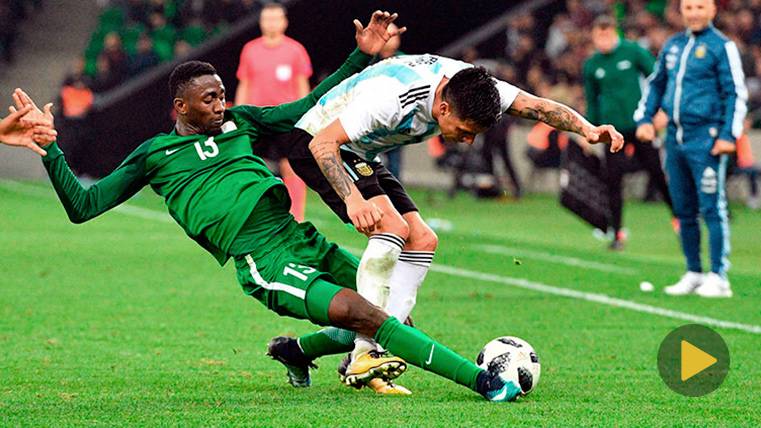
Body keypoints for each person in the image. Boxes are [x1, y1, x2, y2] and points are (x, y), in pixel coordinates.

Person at [1, 12, 524, 403]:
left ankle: (299, 351)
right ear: (180, 107)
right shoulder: (152, 156)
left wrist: (360, 58)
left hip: (296, 235)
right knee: (368, 313)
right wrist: (49, 149)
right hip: (262, 261)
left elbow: (303, 109)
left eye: (223, 94)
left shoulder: (242, 122)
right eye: (209, 99)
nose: (221, 104)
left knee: (386, 309)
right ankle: (485, 384)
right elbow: (82, 205)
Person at [278, 53, 624, 394]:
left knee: (423, 240)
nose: (468, 139)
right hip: (317, 144)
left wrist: (587, 129)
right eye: (465, 130)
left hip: (361, 152)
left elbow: (537, 107)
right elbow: (323, 143)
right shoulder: (391, 99)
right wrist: (353, 198)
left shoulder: (475, 88)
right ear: (443, 109)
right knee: (392, 228)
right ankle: (366, 354)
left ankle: (303, 351)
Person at [635, 0, 747, 297]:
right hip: (675, 139)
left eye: (700, 6)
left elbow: (736, 93)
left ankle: (719, 276)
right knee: (683, 210)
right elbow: (656, 84)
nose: (694, 12)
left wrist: (728, 135)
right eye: (689, 7)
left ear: (712, 10)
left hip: (707, 139)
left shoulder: (722, 46)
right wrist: (646, 118)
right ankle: (694, 271)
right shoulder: (674, 45)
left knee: (712, 207)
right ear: (680, 11)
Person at [582, 15, 674, 251]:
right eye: (599, 35)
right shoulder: (592, 65)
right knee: (612, 181)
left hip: (639, 125)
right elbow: (592, 102)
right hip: (611, 131)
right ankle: (617, 233)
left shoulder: (632, 52)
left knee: (657, 173)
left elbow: (657, 77)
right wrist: (587, 131)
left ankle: (680, 218)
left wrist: (661, 110)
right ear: (593, 36)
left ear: (615, 33)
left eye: (607, 34)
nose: (603, 40)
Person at [235, 2, 311, 222]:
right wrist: (239, 115)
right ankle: (256, 214)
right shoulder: (250, 49)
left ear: (284, 22)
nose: (271, 23)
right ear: (260, 22)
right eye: (267, 19)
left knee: (292, 166)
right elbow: (245, 83)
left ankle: (296, 217)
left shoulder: (295, 50)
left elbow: (301, 85)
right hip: (257, 119)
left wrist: (302, 114)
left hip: (285, 119)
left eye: (276, 18)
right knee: (251, 165)